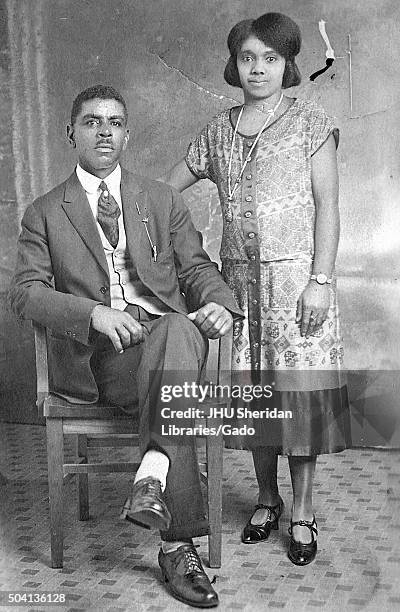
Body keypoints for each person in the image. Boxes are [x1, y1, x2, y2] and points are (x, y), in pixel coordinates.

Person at [9, 84, 243, 608]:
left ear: (129, 133)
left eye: (115, 122)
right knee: (179, 357)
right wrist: (91, 312)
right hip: (102, 361)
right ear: (71, 133)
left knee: (180, 328)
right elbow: (25, 294)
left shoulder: (161, 198)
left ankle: (156, 486)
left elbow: (197, 268)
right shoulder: (45, 212)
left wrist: (220, 303)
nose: (105, 131)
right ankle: (172, 527)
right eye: (92, 121)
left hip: (166, 347)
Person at [163, 12, 351, 566]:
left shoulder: (309, 120)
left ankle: (303, 510)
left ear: (289, 63)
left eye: (271, 58)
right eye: (248, 58)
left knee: (297, 400)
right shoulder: (218, 130)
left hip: (297, 285)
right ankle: (266, 499)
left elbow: (330, 206)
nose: (259, 69)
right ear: (234, 63)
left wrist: (320, 281)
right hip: (238, 285)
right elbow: (164, 193)